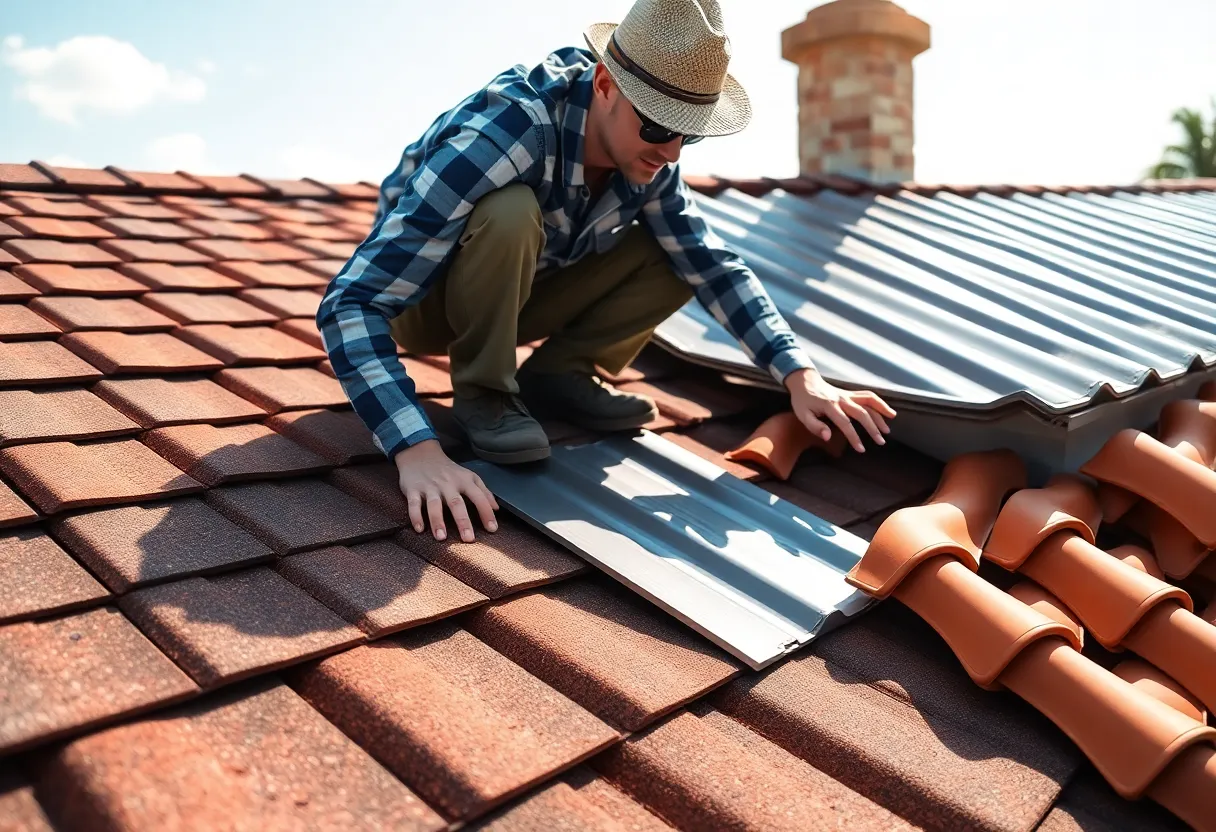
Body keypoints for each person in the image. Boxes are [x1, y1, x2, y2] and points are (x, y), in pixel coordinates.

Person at [317, 0, 896, 545]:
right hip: (424, 303)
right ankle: (486, 395)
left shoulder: (649, 162)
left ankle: (558, 375)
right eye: (659, 128)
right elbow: (350, 304)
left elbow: (714, 266)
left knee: (678, 253)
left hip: (519, 295)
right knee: (510, 210)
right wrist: (414, 449)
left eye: (688, 133)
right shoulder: (506, 134)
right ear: (604, 86)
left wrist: (800, 376)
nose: (672, 152)